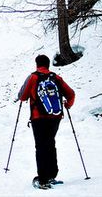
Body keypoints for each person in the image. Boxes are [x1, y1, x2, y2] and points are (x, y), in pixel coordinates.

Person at [18, 54, 75, 190]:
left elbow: (22, 96)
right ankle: (51, 175)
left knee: (41, 146)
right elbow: (71, 94)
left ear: (37, 64)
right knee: (50, 143)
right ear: (48, 65)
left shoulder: (33, 77)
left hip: (39, 117)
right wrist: (68, 105)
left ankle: (43, 179)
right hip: (55, 117)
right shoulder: (56, 77)